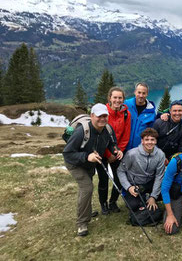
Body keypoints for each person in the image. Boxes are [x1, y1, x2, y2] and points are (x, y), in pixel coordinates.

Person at [63, 103, 123, 236]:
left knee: (86, 189)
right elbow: (67, 153)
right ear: (92, 116)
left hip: (89, 163)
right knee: (87, 188)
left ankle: (86, 211)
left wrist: (116, 150)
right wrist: (86, 156)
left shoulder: (107, 128)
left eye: (105, 116)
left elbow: (112, 143)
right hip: (75, 163)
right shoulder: (81, 131)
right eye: (99, 116)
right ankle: (82, 223)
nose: (102, 119)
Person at [95, 87, 131, 215]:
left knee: (119, 177)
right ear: (109, 98)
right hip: (101, 153)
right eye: (114, 97)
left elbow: (126, 136)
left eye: (120, 98)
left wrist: (116, 152)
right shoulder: (103, 113)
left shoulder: (126, 114)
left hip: (117, 152)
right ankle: (103, 204)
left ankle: (113, 201)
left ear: (123, 99)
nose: (117, 100)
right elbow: (98, 134)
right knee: (103, 179)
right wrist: (108, 154)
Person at [117, 128, 165, 212]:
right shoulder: (131, 154)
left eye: (152, 140)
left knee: (169, 191)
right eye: (146, 139)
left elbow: (159, 176)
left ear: (156, 141)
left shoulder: (160, 155)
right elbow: (120, 171)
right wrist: (128, 187)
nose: (149, 142)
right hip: (135, 184)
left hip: (150, 183)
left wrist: (153, 196)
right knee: (133, 205)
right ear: (142, 141)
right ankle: (142, 199)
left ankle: (149, 198)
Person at [126, 82, 156, 150]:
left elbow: (151, 134)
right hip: (123, 148)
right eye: (139, 92)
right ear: (135, 92)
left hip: (139, 150)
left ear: (147, 94)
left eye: (144, 93)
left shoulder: (151, 112)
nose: (141, 95)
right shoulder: (126, 105)